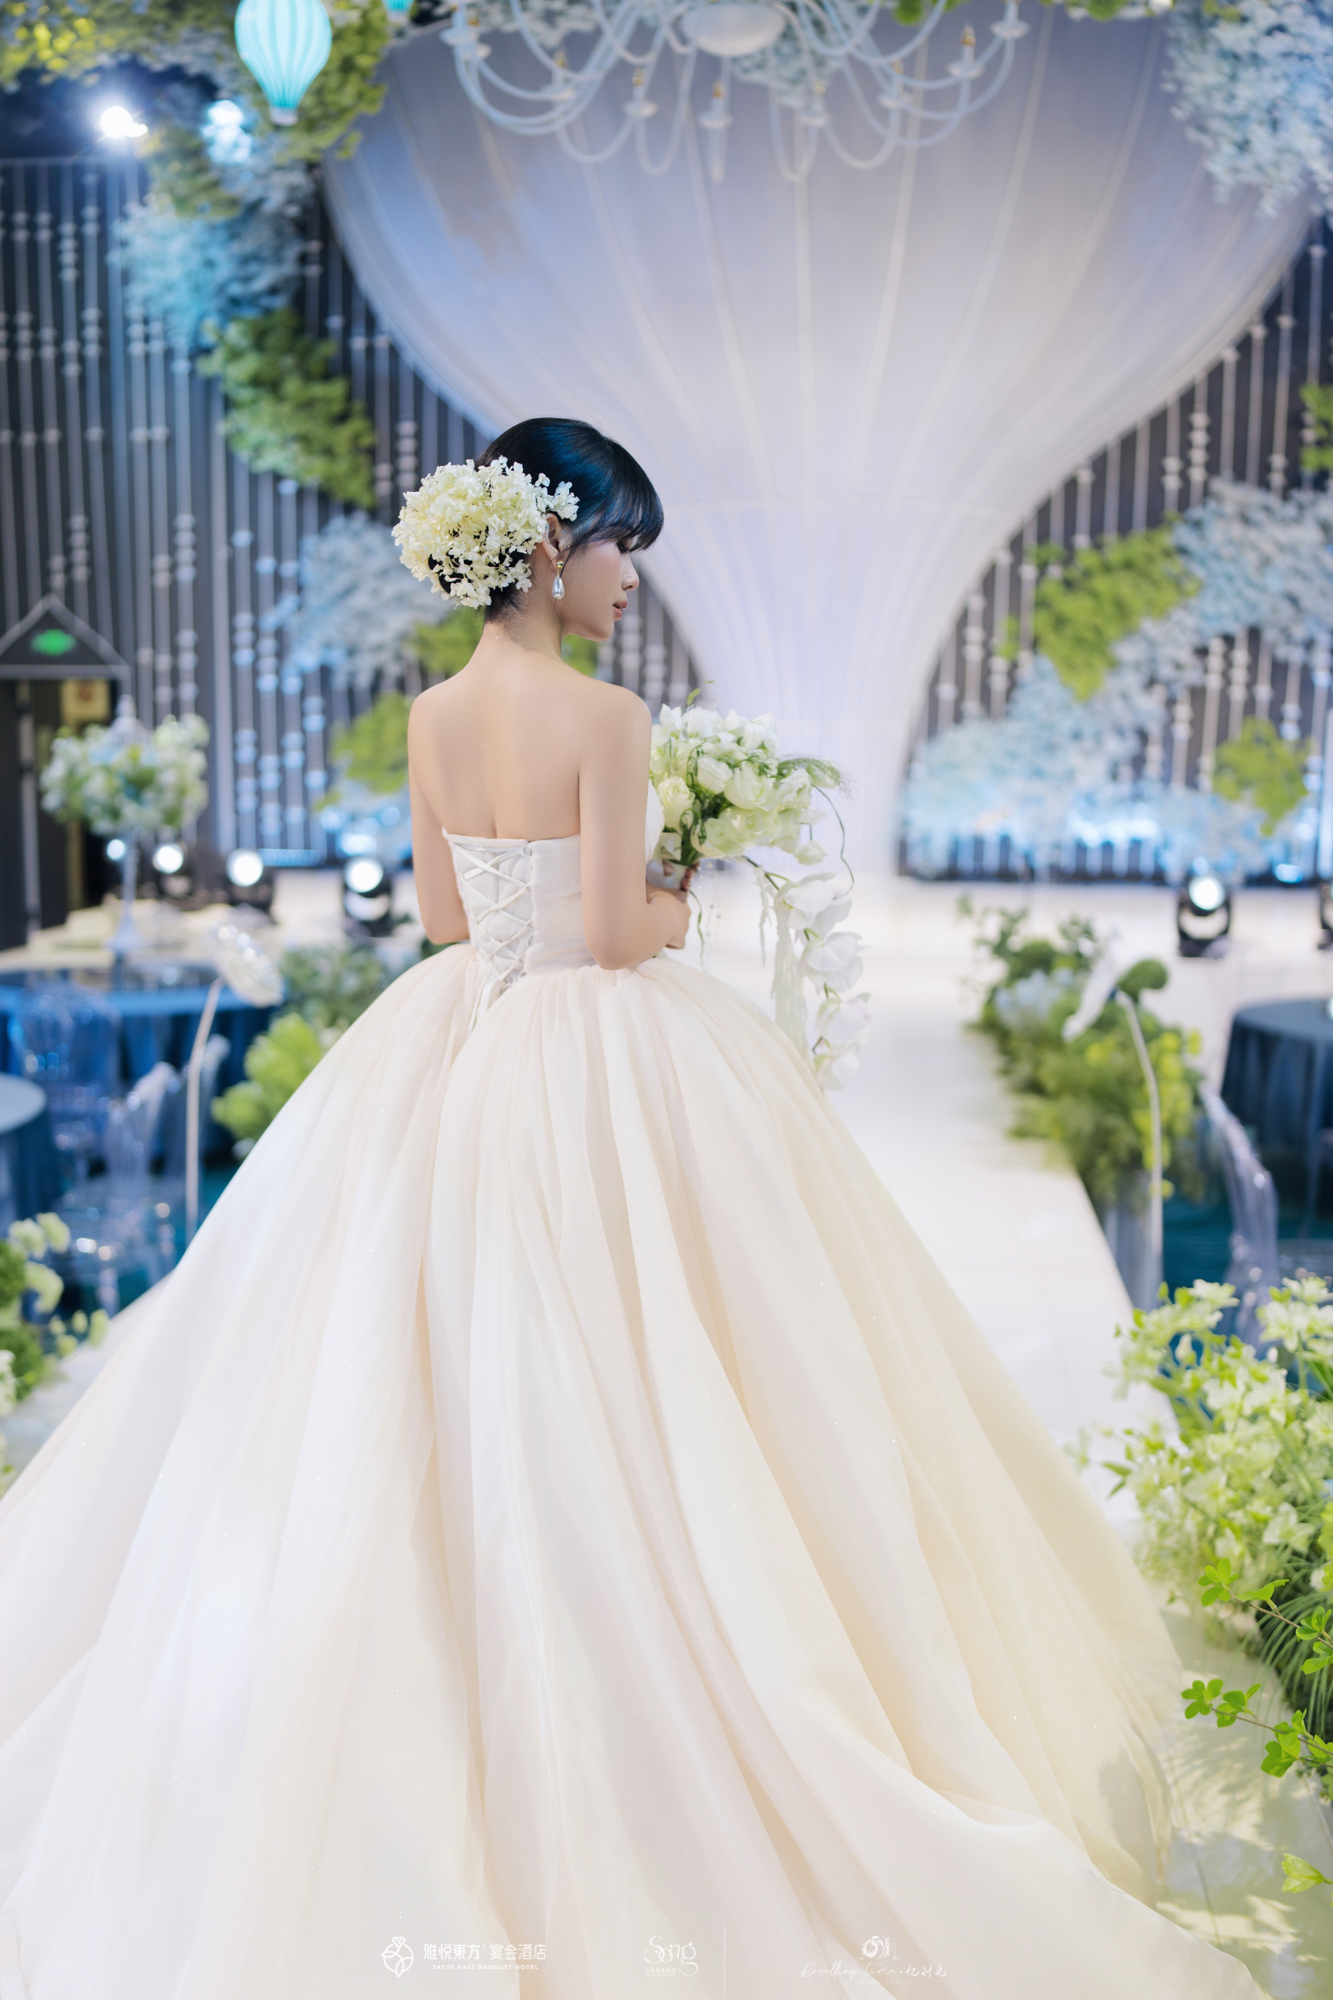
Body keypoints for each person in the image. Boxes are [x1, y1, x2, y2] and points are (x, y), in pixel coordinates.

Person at [0, 419, 1266, 2000]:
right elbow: (611, 933)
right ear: (548, 549)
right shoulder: (605, 716)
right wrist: (683, 878)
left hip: (454, 1043)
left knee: (436, 1367)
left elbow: (449, 917)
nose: (628, 583)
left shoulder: (434, 715)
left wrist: (582, 891)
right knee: (683, 1358)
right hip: (599, 1053)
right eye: (619, 550)